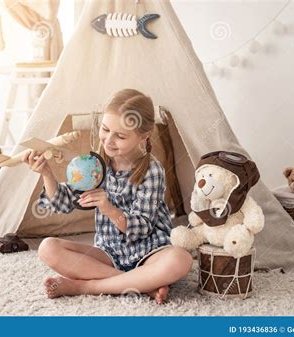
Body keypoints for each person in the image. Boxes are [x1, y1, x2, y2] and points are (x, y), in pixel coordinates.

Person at [22, 89, 192, 304]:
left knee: (180, 260)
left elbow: (143, 228)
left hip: (150, 252)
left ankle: (86, 286)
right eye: (105, 129)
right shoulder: (94, 165)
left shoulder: (152, 170)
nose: (109, 141)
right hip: (108, 255)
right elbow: (62, 203)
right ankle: (139, 284)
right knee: (48, 248)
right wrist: (46, 172)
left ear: (144, 136)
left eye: (120, 136)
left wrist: (108, 208)